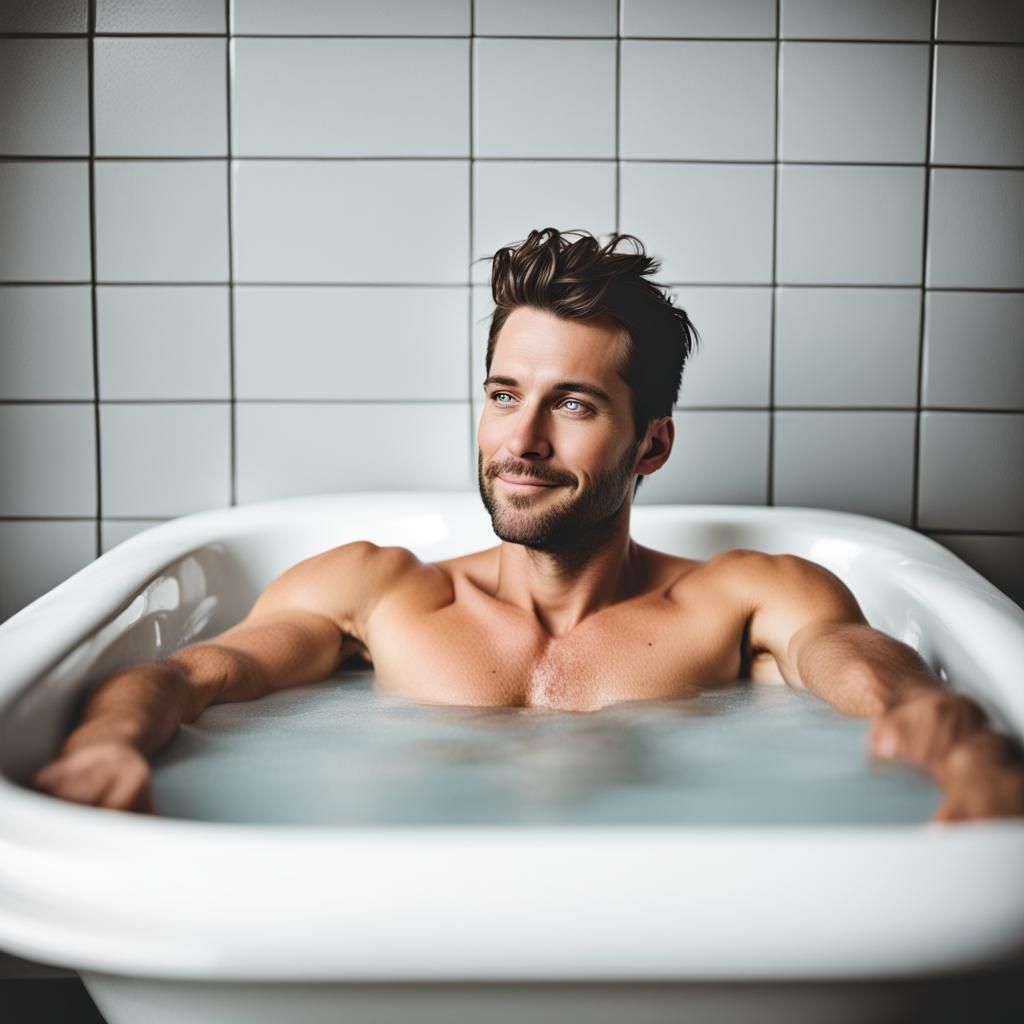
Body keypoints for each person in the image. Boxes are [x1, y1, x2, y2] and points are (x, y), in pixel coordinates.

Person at [31, 228, 1024, 822]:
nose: (523, 439)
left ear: (652, 446)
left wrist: (945, 730)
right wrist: (115, 740)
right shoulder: (377, 593)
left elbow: (848, 655)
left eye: (575, 404)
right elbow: (185, 673)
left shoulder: (743, 597)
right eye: (505, 393)